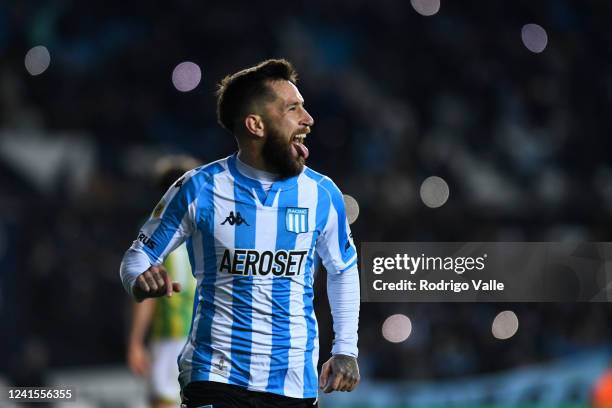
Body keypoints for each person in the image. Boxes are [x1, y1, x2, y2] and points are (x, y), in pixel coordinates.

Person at [120, 59, 360, 408]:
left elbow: (343, 269)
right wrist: (139, 281)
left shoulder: (322, 194)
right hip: (215, 376)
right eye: (293, 109)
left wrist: (345, 349)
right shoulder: (199, 188)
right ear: (255, 124)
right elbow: (137, 257)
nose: (308, 119)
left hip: (293, 383)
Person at [127, 156, 199, 408]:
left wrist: (136, 341)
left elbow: (144, 293)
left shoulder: (153, 234)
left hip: (177, 337)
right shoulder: (212, 227)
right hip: (196, 336)